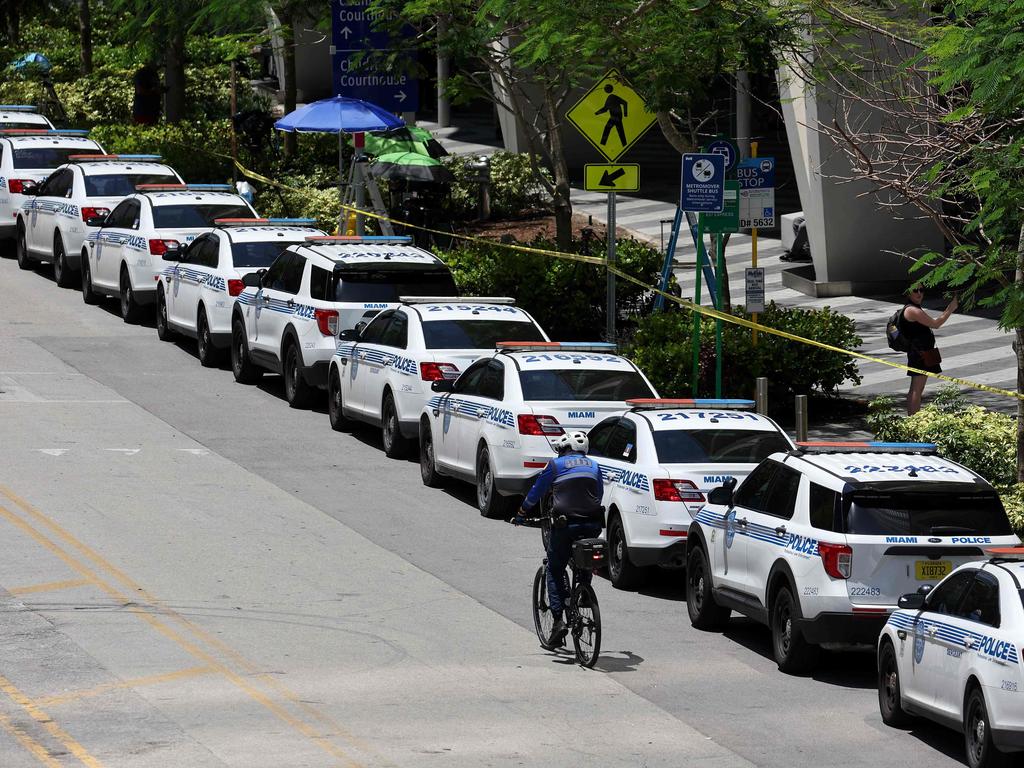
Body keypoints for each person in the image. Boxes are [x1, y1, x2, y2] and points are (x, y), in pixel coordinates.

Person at [520, 430, 604, 644]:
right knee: (584, 559)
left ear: (564, 449)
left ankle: (558, 622)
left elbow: (537, 491)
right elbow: (599, 493)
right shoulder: (594, 466)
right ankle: (584, 591)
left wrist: (521, 513)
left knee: (554, 568)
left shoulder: (555, 465)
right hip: (593, 523)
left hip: (566, 525)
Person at [901, 285, 957, 415]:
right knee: (916, 388)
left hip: (922, 351)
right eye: (915, 290)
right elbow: (935, 324)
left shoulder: (914, 308)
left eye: (922, 290)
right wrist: (950, 309)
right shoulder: (912, 310)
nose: (919, 293)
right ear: (908, 293)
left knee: (918, 388)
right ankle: (913, 420)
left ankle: (913, 419)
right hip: (919, 353)